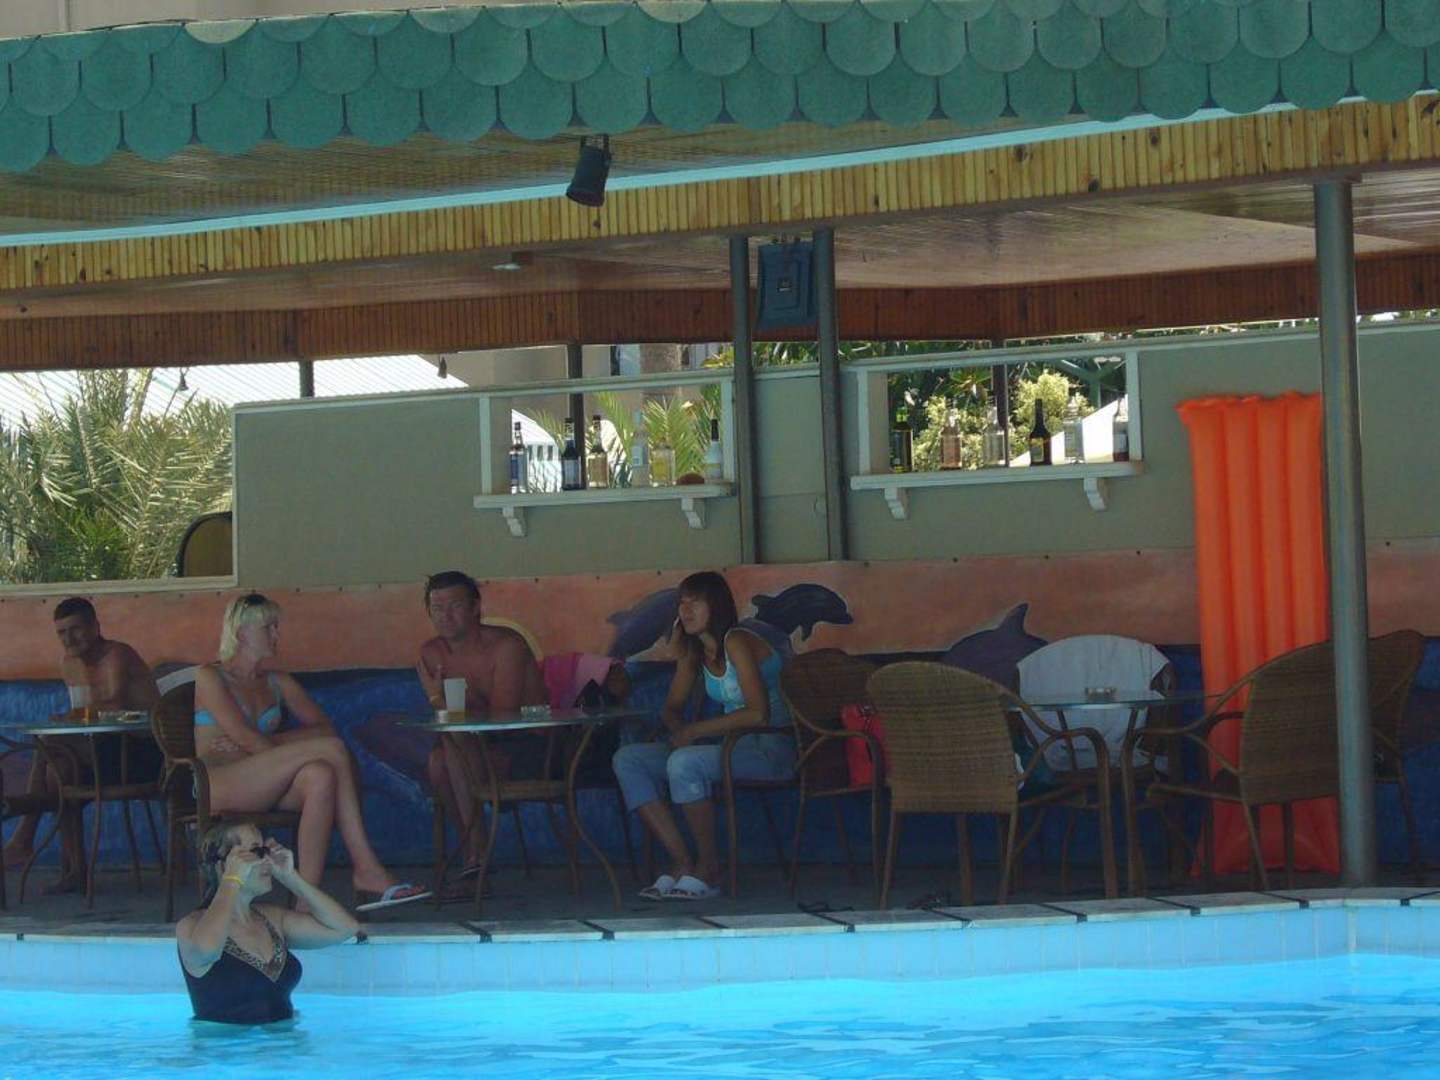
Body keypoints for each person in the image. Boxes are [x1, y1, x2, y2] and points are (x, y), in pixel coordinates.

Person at [194, 593, 428, 911]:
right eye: (268, 627)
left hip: (264, 779)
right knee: (331, 751)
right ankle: (367, 867)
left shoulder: (277, 681)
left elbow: (324, 729)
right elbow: (246, 737)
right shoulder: (210, 676)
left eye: (276, 626)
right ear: (241, 633)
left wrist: (273, 742)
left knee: (320, 774)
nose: (277, 634)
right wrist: (265, 745)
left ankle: (306, 900)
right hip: (219, 782)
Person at [612, 571, 796, 901]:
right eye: (682, 603)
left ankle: (709, 867)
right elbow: (671, 709)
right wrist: (678, 731)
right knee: (629, 759)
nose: (685, 610)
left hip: (771, 748)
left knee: (685, 763)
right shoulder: (693, 652)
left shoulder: (737, 640)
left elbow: (758, 713)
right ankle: (683, 860)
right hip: (731, 747)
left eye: (695, 602)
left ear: (717, 606)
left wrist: (695, 731)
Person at [3, 597, 163, 892]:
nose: (69, 639)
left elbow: (114, 704)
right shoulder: (70, 664)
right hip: (102, 753)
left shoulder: (117, 654)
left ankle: (24, 836)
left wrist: (69, 719)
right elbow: (84, 715)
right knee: (59, 774)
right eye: (61, 633)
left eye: (75, 629)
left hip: (143, 755)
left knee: (51, 746)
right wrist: (72, 716)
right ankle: (74, 871)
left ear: (95, 627)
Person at [415, 571, 546, 881]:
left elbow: (502, 718)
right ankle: (474, 851)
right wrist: (448, 709)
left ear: (475, 607)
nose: (445, 616)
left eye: (455, 606)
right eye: (437, 608)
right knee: (438, 761)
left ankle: (475, 853)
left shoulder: (505, 646)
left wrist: (437, 700)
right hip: (477, 750)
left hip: (531, 749)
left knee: (452, 744)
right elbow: (459, 720)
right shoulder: (432, 653)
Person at [177, 823, 358, 1024]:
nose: (267, 860)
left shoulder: (272, 919)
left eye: (266, 851)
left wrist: (291, 877)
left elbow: (344, 928)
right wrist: (231, 880)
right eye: (257, 852)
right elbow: (207, 950)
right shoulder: (191, 926)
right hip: (226, 1044)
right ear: (223, 865)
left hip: (284, 1042)